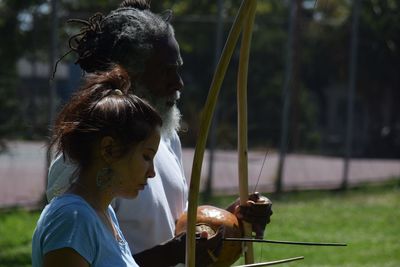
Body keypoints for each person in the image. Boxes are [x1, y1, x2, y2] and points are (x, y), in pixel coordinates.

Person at [47, 0, 272, 265]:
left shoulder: (165, 138)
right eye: (167, 71)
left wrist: (229, 222)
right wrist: (175, 253)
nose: (178, 83)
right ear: (128, 74)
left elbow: (175, 225)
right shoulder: (82, 155)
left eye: (178, 69)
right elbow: (80, 253)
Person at [32, 65, 162, 267]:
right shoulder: (73, 219)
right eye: (146, 156)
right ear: (109, 149)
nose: (152, 173)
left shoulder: (103, 213)